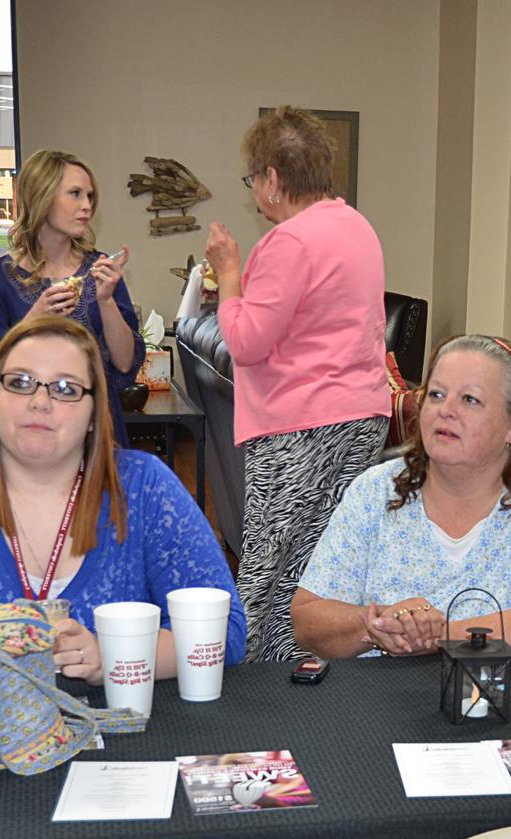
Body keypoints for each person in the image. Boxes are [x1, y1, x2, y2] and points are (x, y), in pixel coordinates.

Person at [0, 316, 246, 681]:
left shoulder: (144, 487)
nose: (40, 402)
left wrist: (115, 655)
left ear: (95, 412)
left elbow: (224, 631)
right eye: (20, 382)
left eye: (66, 389)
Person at [204, 105, 391, 663]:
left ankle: (254, 683)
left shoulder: (288, 243)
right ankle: (318, 669)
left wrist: (230, 273)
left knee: (269, 567)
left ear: (273, 179)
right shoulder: (356, 225)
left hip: (299, 425)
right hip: (361, 416)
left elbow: (245, 342)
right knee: (326, 563)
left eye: (253, 179)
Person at [291, 335, 511, 658]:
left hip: (507, 702)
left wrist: (442, 636)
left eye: (470, 400)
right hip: (379, 701)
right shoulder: (376, 490)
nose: (446, 410)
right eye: (436, 395)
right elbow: (308, 621)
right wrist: (382, 623)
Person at [0, 148, 141, 447]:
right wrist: (34, 319)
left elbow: (125, 363)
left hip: (98, 432)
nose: (87, 206)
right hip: (29, 434)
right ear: (42, 197)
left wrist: (105, 301)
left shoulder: (101, 270)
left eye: (90, 196)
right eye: (75, 194)